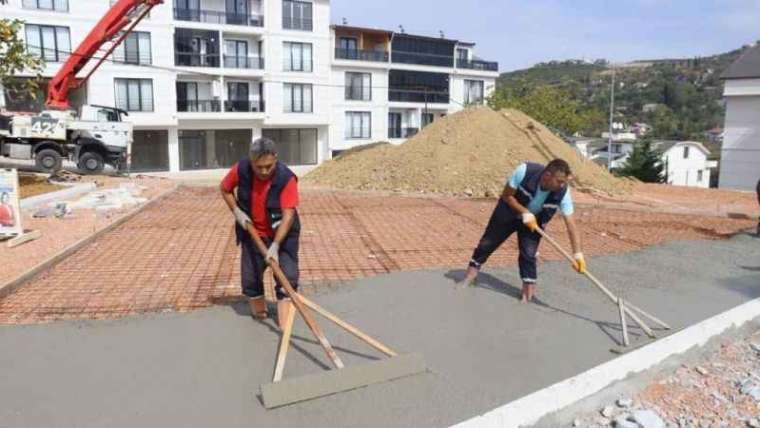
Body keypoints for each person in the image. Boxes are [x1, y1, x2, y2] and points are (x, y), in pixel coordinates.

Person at [458, 159, 586, 302]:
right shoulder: (525, 171)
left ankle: (527, 296)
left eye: (564, 181)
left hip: (534, 222)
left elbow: (571, 224)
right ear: (547, 176)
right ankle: (470, 275)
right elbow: (507, 195)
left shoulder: (563, 192)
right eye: (560, 181)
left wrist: (577, 254)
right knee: (488, 243)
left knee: (529, 255)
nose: (563, 185)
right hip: (509, 211)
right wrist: (524, 212)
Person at [220, 138, 300, 327]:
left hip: (282, 234)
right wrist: (237, 211)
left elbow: (288, 215)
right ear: (251, 161)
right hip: (252, 231)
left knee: (287, 276)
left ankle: (285, 321)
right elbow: (225, 189)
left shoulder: (286, 178)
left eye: (268, 166)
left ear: (276, 159)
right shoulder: (241, 170)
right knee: (251, 277)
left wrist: (276, 245)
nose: (264, 171)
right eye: (259, 167)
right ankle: (260, 313)